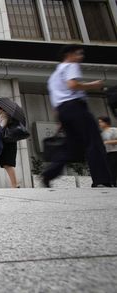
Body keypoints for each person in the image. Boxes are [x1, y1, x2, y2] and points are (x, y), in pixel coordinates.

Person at [42, 44, 111, 188]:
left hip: (63, 111)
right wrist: (94, 85)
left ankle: (49, 174)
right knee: (94, 141)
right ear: (69, 55)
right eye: (79, 53)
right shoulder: (70, 66)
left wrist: (60, 120)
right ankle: (102, 180)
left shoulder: (53, 76)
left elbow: (56, 101)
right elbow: (72, 85)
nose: (81, 57)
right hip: (76, 107)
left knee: (71, 147)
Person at [0, 107, 19, 188]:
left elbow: (2, 127)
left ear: (2, 109)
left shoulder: (6, 115)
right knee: (6, 164)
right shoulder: (4, 116)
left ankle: (14, 185)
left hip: (7, 143)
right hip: (7, 142)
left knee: (7, 164)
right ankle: (14, 184)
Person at [98, 116, 117, 186]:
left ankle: (113, 183)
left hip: (115, 151)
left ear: (106, 122)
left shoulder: (113, 130)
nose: (99, 124)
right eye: (99, 122)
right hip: (107, 153)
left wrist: (106, 142)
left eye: (101, 122)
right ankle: (112, 183)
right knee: (110, 169)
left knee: (113, 168)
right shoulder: (102, 133)